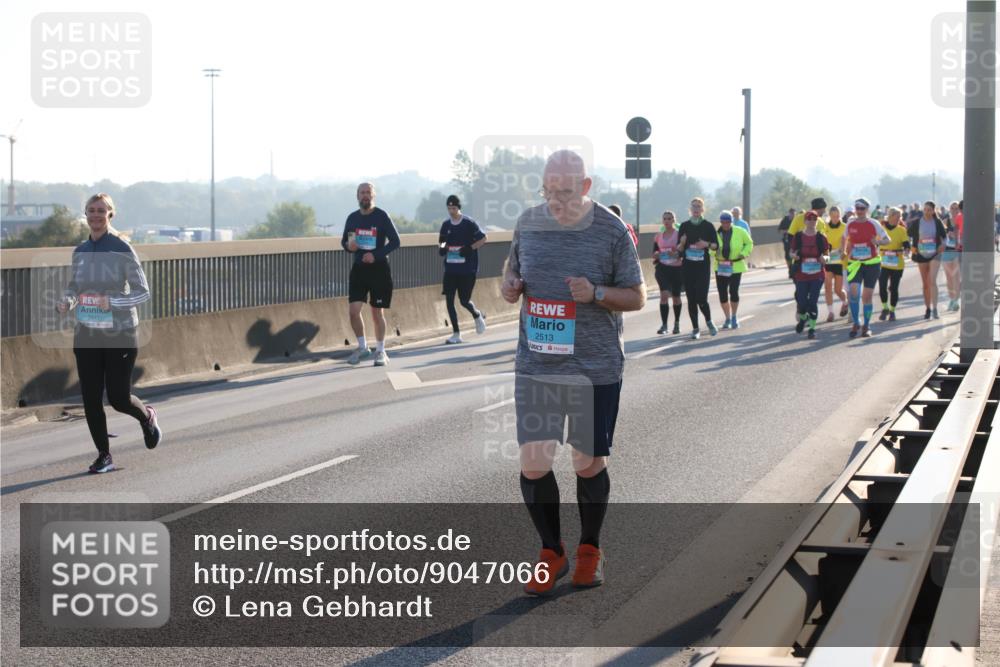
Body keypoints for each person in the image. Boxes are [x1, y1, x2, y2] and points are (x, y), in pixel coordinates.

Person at [501, 149, 645, 595]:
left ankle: (589, 549)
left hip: (593, 366)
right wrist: (509, 285)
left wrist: (596, 293)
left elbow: (638, 296)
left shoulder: (611, 230)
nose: (555, 200)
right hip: (538, 364)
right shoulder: (528, 223)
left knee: (586, 463)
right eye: (548, 191)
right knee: (533, 461)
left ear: (585, 186)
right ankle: (551, 551)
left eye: (564, 191)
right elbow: (513, 267)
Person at [56, 193, 162, 474]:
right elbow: (74, 286)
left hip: (120, 333)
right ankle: (104, 455)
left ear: (110, 214)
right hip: (88, 332)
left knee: (117, 397)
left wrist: (112, 302)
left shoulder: (121, 247)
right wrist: (67, 301)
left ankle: (147, 417)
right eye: (90, 210)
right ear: (86, 215)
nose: (95, 215)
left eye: (101, 210)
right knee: (90, 398)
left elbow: (143, 292)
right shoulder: (79, 252)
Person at [341, 182, 401, 366]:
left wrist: (375, 255)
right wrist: (348, 247)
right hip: (359, 269)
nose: (365, 195)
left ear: (373, 195)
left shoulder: (381, 216)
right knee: (353, 312)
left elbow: (396, 241)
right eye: (362, 193)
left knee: (377, 313)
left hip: (379, 269)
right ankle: (363, 347)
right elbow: (345, 242)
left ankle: (381, 351)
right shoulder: (352, 218)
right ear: (357, 196)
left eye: (368, 192)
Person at [438, 194, 488, 344]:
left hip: (467, 269)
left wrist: (470, 248)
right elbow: (441, 242)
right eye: (449, 208)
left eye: (454, 208)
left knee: (464, 301)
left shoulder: (468, 223)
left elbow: (483, 238)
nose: (451, 211)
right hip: (450, 269)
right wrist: (442, 248)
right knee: (449, 300)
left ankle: (477, 314)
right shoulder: (446, 225)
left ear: (459, 208)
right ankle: (456, 333)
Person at [844, 198, 890, 338]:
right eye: (857, 208)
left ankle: (867, 325)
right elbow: (844, 238)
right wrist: (843, 250)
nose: (859, 211)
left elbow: (887, 240)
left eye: (862, 209)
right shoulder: (850, 224)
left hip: (872, 264)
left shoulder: (874, 223)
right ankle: (856, 322)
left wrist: (877, 241)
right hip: (855, 263)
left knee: (867, 296)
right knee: (853, 292)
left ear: (867, 210)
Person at [677, 197, 719, 339]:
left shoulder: (708, 226)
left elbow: (716, 246)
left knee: (702, 297)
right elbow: (679, 248)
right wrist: (682, 243)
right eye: (693, 206)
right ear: (690, 209)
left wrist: (705, 244)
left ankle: (709, 321)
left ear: (702, 209)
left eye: (698, 206)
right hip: (688, 267)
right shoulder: (684, 226)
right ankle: (695, 329)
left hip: (702, 267)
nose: (696, 209)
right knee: (691, 299)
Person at [789, 210, 828, 339]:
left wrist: (825, 259)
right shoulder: (799, 236)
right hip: (802, 274)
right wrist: (793, 255)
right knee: (802, 301)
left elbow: (827, 254)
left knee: (813, 302)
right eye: (809, 219)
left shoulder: (821, 238)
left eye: (814, 220)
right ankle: (803, 318)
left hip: (817, 274)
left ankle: (812, 329)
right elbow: (791, 252)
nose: (812, 222)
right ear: (805, 221)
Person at [907, 200, 948, 320]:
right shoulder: (917, 222)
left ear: (933, 211)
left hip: (935, 254)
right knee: (925, 284)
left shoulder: (937, 222)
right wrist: (912, 246)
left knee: (932, 281)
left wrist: (943, 245)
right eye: (924, 209)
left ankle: (935, 308)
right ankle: (928, 309)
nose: (926, 212)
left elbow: (944, 238)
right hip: (921, 254)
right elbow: (909, 234)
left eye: (929, 210)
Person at [714, 210, 753, 329]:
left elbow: (749, 243)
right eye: (723, 222)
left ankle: (734, 316)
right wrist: (713, 252)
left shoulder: (740, 231)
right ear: (720, 222)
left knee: (734, 291)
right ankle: (727, 318)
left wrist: (744, 253)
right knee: (722, 293)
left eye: (728, 221)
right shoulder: (716, 233)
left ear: (731, 221)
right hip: (720, 266)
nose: (725, 224)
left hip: (735, 266)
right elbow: (711, 246)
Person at [652, 210, 684, 334]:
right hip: (663, 268)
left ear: (674, 221)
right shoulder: (658, 236)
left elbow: (682, 252)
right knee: (664, 295)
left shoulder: (679, 235)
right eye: (665, 219)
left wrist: (675, 254)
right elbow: (654, 252)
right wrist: (656, 255)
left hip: (676, 269)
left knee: (676, 297)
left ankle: (676, 323)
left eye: (669, 219)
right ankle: (664, 325)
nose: (667, 221)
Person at [877, 207, 910, 321]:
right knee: (882, 286)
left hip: (897, 264)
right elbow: (875, 242)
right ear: (890, 217)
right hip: (884, 263)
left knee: (894, 288)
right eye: (896, 217)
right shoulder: (881, 229)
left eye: (899, 218)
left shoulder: (901, 230)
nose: (898, 220)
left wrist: (906, 249)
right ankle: (885, 308)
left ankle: (892, 311)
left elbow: (906, 244)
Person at [823, 205, 849, 322]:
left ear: (840, 215)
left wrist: (843, 249)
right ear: (829, 216)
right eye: (833, 216)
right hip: (828, 257)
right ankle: (831, 312)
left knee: (838, 290)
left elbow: (849, 242)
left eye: (837, 216)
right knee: (828, 286)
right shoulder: (825, 227)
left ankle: (845, 301)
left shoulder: (844, 227)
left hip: (840, 260)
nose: (835, 218)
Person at [941, 200, 962, 312]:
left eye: (956, 208)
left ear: (960, 209)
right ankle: (951, 299)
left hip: (957, 251)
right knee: (948, 278)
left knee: (956, 277)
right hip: (946, 251)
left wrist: (955, 235)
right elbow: (940, 235)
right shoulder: (945, 221)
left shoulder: (962, 221)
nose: (954, 210)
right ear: (949, 210)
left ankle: (956, 301)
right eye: (952, 208)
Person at [779, 207, 796, 277]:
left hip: (796, 241)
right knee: (787, 256)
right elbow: (780, 230)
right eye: (791, 214)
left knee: (795, 255)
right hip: (787, 240)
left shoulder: (797, 220)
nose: (792, 216)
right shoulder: (785, 220)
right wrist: (788, 231)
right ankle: (790, 268)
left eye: (794, 214)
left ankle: (794, 269)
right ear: (789, 214)